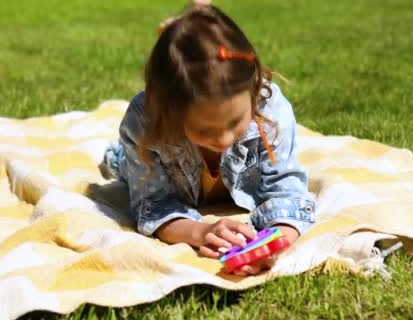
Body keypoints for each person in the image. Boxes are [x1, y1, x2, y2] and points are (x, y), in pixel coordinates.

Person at [102, 4, 315, 276]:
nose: (224, 139)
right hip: (139, 160)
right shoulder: (146, 125)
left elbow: (288, 191)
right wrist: (201, 232)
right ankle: (116, 154)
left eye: (235, 122)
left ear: (252, 90)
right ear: (170, 114)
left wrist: (273, 244)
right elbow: (153, 205)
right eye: (205, 131)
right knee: (121, 162)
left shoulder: (270, 109)